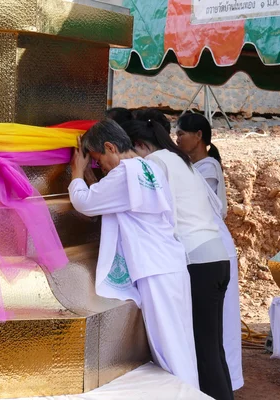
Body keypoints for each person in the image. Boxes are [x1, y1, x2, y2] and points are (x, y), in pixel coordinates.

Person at [69, 120, 199, 389]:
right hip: (172, 263)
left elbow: (85, 203)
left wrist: (77, 173)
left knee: (169, 350)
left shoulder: (122, 175)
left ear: (110, 147)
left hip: (154, 268)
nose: (99, 166)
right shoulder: (149, 166)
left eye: (97, 159)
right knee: (181, 342)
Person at [122, 119, 234, 400]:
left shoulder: (157, 162)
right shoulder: (179, 159)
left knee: (202, 347)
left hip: (198, 260)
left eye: (129, 153)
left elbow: (150, 208)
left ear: (139, 145)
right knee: (212, 345)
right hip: (216, 256)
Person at [175, 113, 243, 390]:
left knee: (219, 326)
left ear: (199, 136)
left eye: (181, 133)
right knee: (212, 328)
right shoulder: (193, 166)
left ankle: (225, 385)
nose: (177, 138)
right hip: (209, 247)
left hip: (215, 249)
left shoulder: (208, 168)